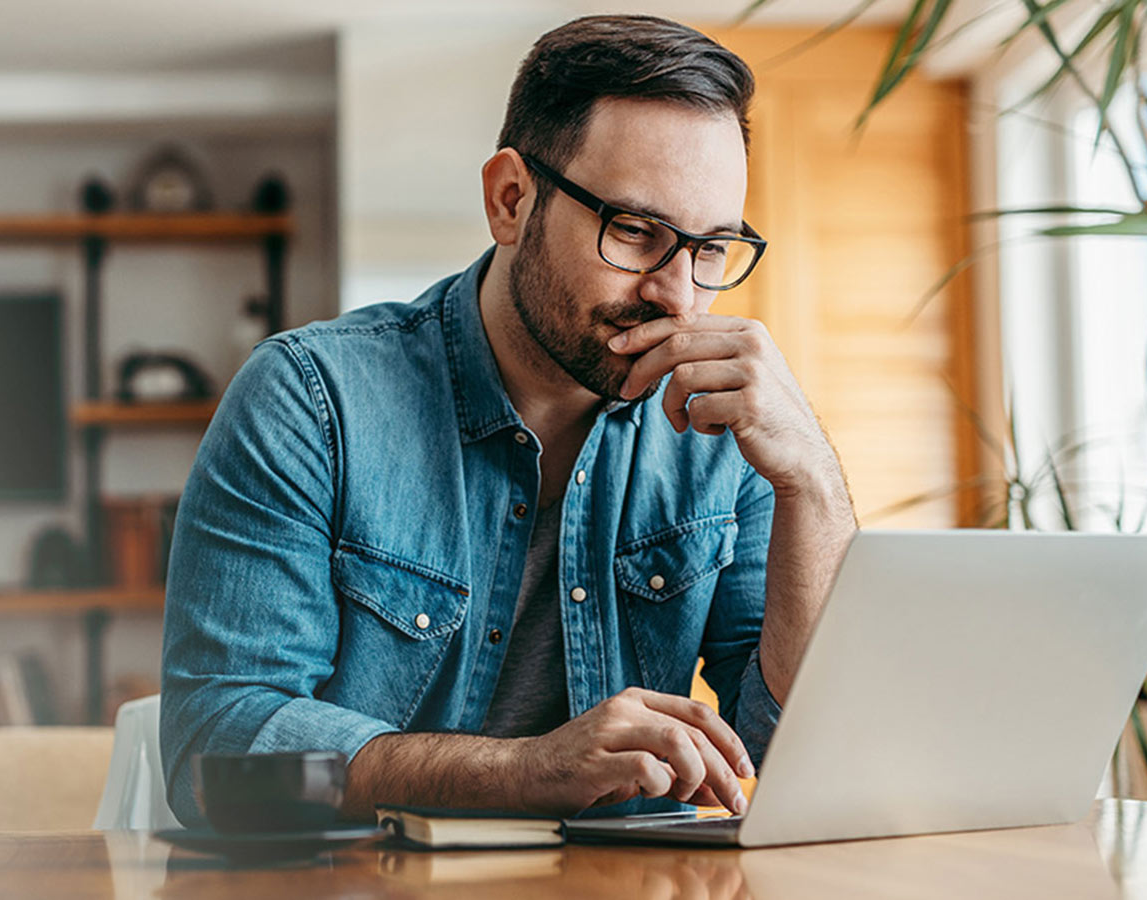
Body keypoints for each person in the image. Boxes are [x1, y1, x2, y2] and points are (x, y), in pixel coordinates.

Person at [160, 14, 856, 826]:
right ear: (511, 200)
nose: (678, 294)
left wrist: (811, 479)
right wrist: (524, 772)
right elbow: (218, 751)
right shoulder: (311, 401)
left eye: (709, 248)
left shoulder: (725, 432)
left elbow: (801, 743)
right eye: (633, 230)